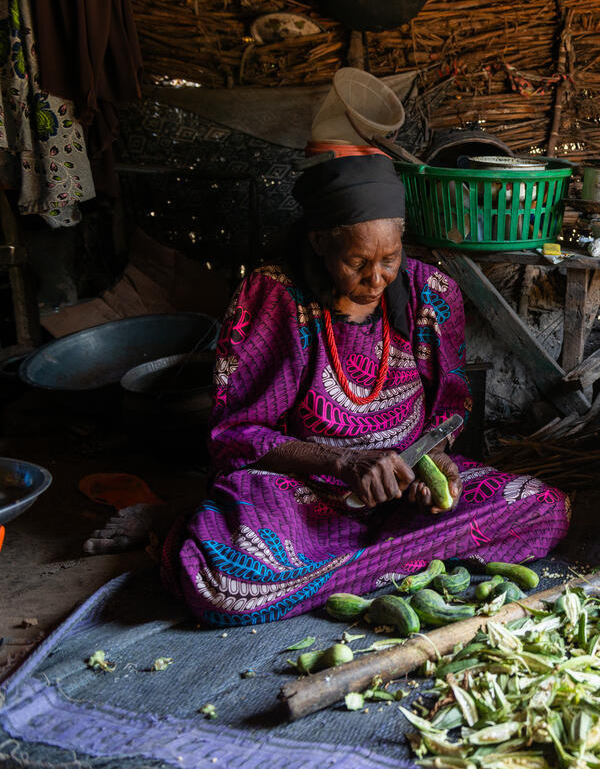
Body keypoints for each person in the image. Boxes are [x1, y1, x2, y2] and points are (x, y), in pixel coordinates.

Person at [161, 155, 571, 626]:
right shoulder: (274, 296)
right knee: (220, 583)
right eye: (357, 262)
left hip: (401, 497)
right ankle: (406, 566)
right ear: (319, 242)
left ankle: (330, 577)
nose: (377, 278)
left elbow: (449, 409)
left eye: (389, 259)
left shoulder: (430, 291)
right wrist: (343, 462)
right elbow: (237, 433)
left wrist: (432, 460)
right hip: (302, 494)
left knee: (544, 509)